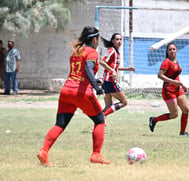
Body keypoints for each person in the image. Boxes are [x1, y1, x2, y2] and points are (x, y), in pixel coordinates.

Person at [37, 26, 110, 167]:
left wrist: (95, 81)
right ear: (94, 39)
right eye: (98, 39)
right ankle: (96, 155)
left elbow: (81, 72)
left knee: (60, 124)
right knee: (100, 120)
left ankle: (44, 151)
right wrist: (97, 87)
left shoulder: (76, 51)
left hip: (66, 91)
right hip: (81, 93)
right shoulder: (92, 52)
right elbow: (88, 69)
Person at [149, 42, 189, 137]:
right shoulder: (166, 62)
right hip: (168, 90)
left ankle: (182, 133)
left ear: (176, 51)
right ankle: (154, 120)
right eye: (170, 49)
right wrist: (174, 82)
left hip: (177, 89)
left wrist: (182, 85)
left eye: (174, 49)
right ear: (167, 52)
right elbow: (160, 75)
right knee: (174, 114)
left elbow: (176, 77)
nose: (172, 51)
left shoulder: (176, 62)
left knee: (186, 109)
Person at [99, 33, 135, 118]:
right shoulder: (112, 50)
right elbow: (102, 62)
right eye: (117, 39)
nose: (119, 41)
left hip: (106, 82)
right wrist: (112, 71)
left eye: (120, 39)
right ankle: (103, 115)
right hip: (110, 81)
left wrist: (127, 69)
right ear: (113, 41)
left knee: (108, 105)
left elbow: (115, 68)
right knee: (124, 102)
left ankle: (98, 122)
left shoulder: (116, 52)